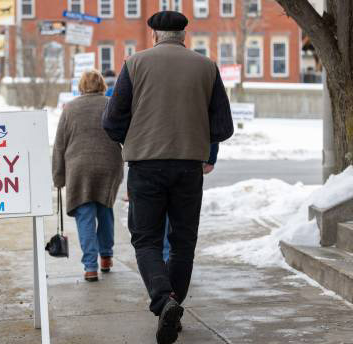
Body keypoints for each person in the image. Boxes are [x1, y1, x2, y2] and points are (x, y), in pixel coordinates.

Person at [102, 11, 233, 344]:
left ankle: (163, 300)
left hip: (145, 165)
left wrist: (133, 139)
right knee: (183, 242)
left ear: (154, 35)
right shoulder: (206, 67)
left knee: (146, 239)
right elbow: (223, 127)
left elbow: (112, 121)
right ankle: (173, 305)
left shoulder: (135, 64)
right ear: (184, 35)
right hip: (189, 166)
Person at [52, 70, 124, 282]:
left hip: (79, 168)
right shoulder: (111, 104)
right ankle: (106, 257)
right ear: (102, 85)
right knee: (105, 211)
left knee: (85, 217)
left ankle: (90, 267)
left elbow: (59, 146)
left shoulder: (70, 108)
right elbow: (124, 134)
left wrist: (58, 177)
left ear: (81, 86)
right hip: (108, 166)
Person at [163, 144, 218, 262]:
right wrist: (211, 157)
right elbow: (218, 129)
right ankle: (168, 258)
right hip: (189, 160)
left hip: (150, 159)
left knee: (161, 218)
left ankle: (164, 258)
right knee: (182, 226)